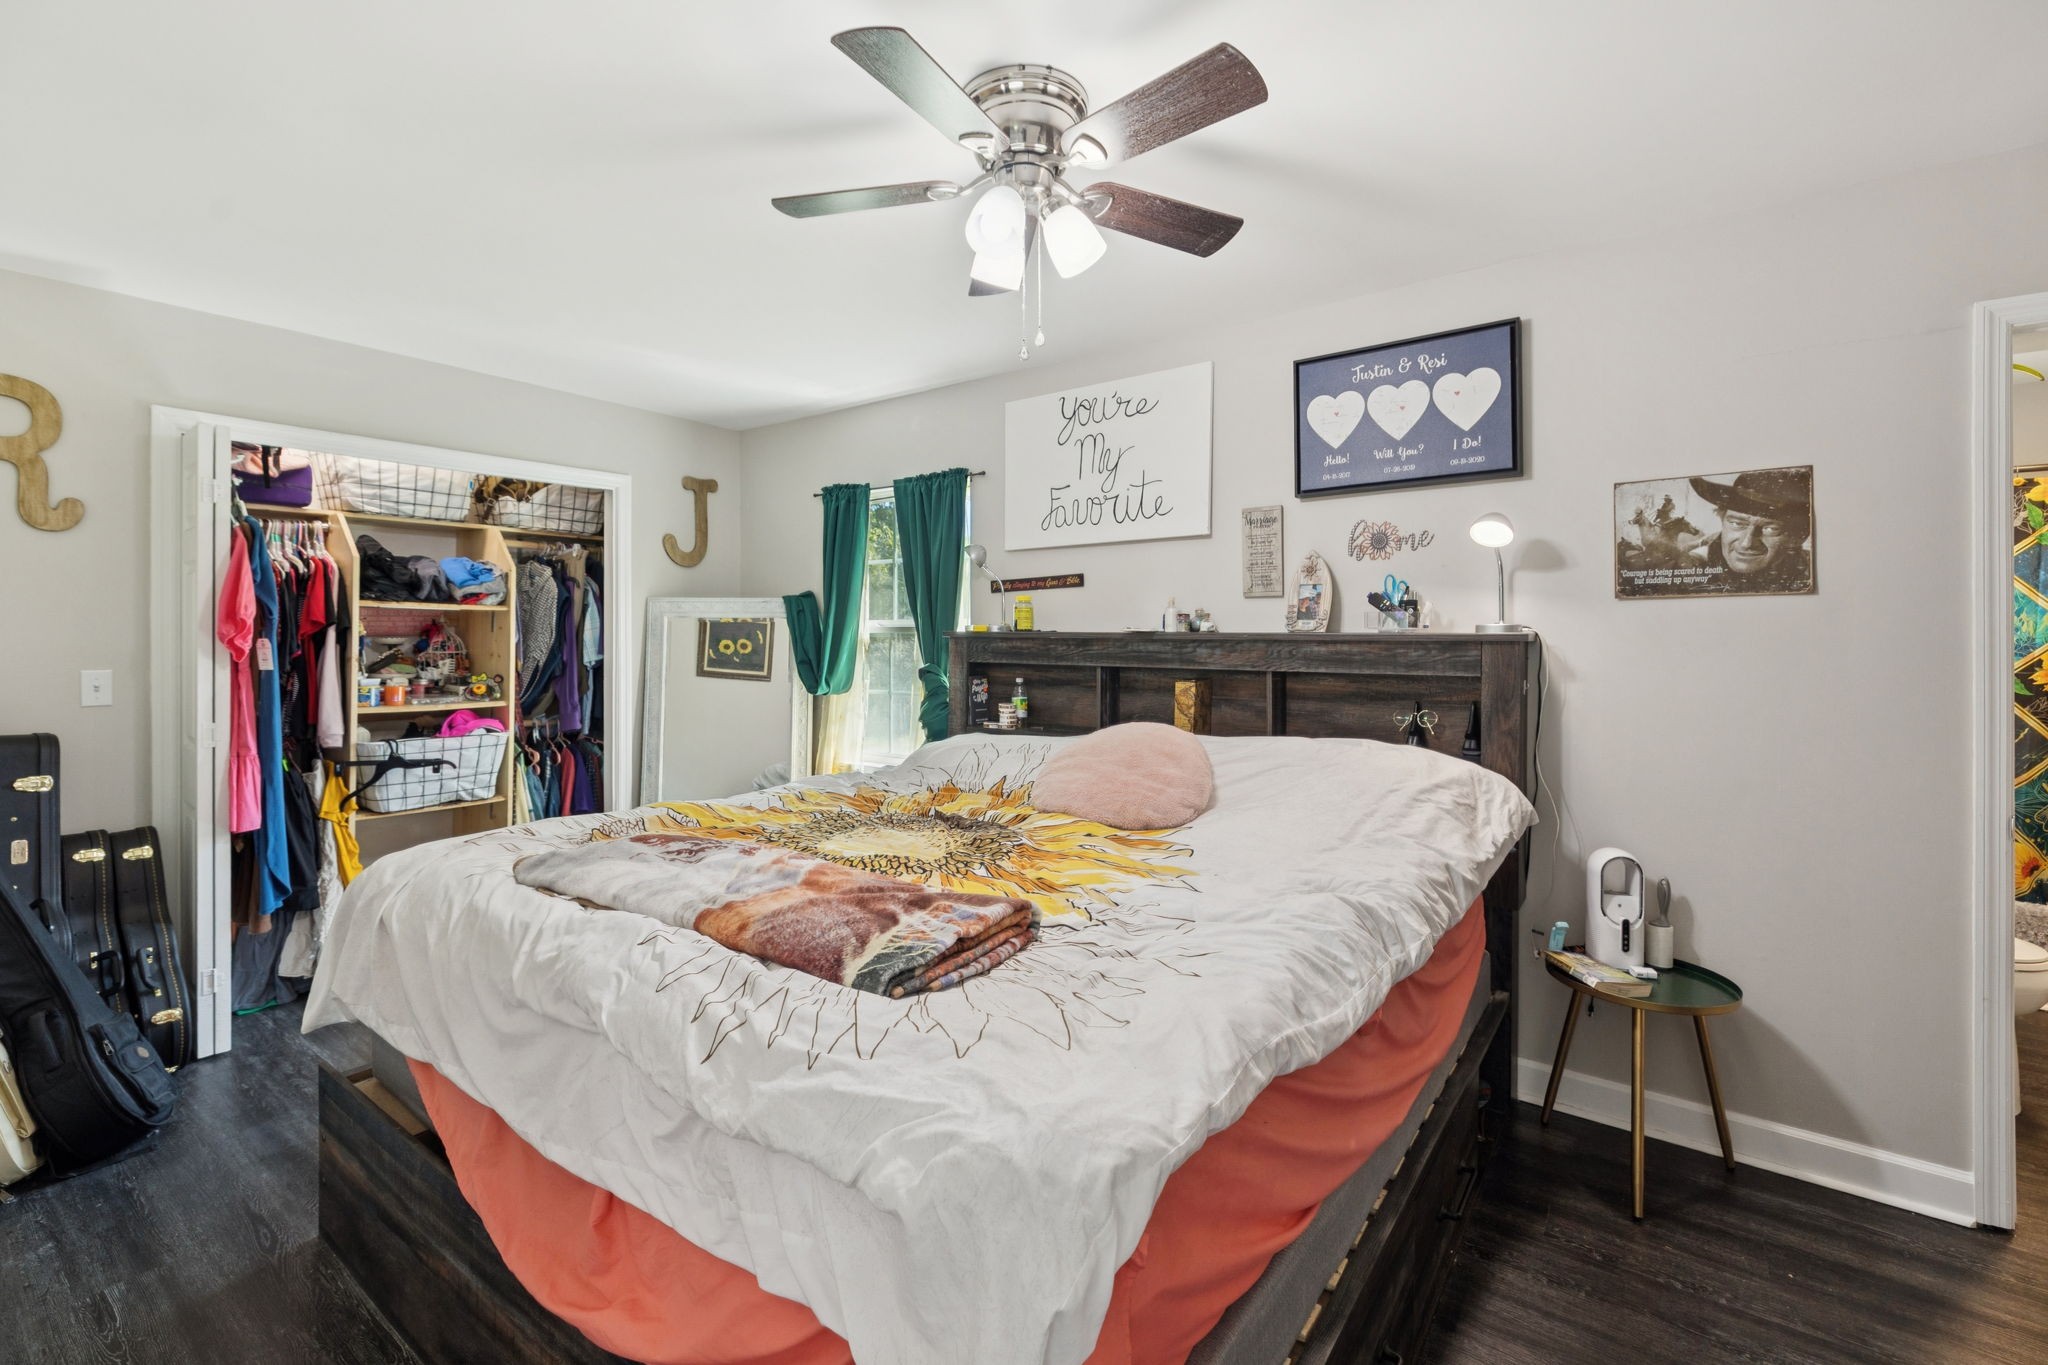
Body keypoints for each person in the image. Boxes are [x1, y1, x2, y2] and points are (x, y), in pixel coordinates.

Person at [1686, 469, 1814, 592]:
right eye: (1736, 523)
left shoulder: (1811, 574)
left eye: (1770, 529)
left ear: (1798, 537)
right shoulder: (1688, 571)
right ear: (1722, 519)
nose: (1746, 543)